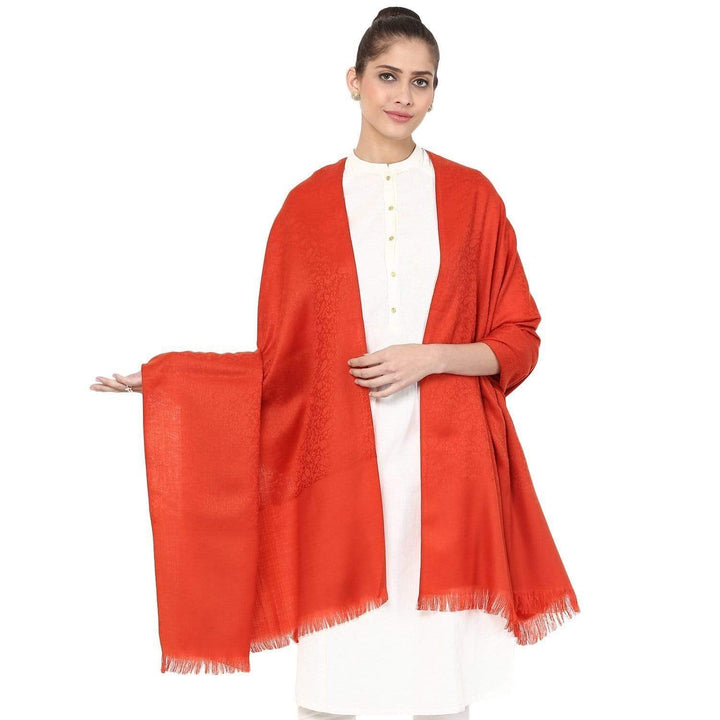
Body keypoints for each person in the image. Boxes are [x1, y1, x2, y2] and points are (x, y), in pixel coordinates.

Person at [91, 7, 579, 719]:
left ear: (436, 92)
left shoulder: (474, 197)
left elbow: (519, 339)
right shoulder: (306, 208)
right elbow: (282, 365)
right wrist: (175, 382)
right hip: (340, 475)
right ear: (354, 80)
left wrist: (429, 357)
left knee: (438, 689)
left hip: (450, 474)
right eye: (387, 76)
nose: (403, 96)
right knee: (331, 689)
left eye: (421, 81)